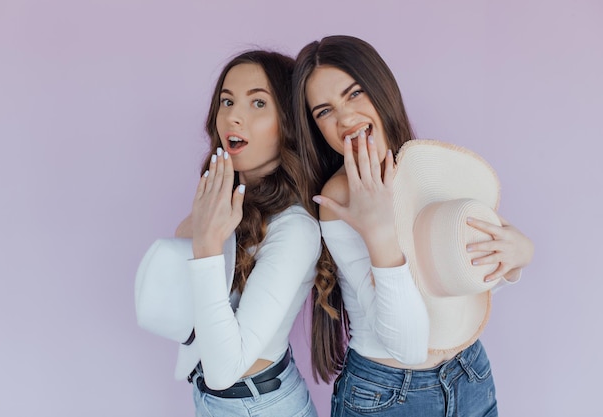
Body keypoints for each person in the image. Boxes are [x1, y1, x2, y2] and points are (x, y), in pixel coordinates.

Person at [292, 35, 534, 417]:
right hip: (389, 395)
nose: (344, 118)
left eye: (354, 94)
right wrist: (379, 233)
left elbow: (451, 282)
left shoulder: (424, 166)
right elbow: (406, 345)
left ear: (380, 87)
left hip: (469, 372)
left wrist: (518, 256)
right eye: (324, 111)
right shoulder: (340, 197)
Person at [137, 50, 320, 417]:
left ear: (288, 121)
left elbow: (224, 370)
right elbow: (182, 239)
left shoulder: (295, 229)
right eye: (227, 100)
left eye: (257, 103)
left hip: (257, 405)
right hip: (215, 400)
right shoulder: (232, 197)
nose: (234, 116)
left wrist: (207, 243)